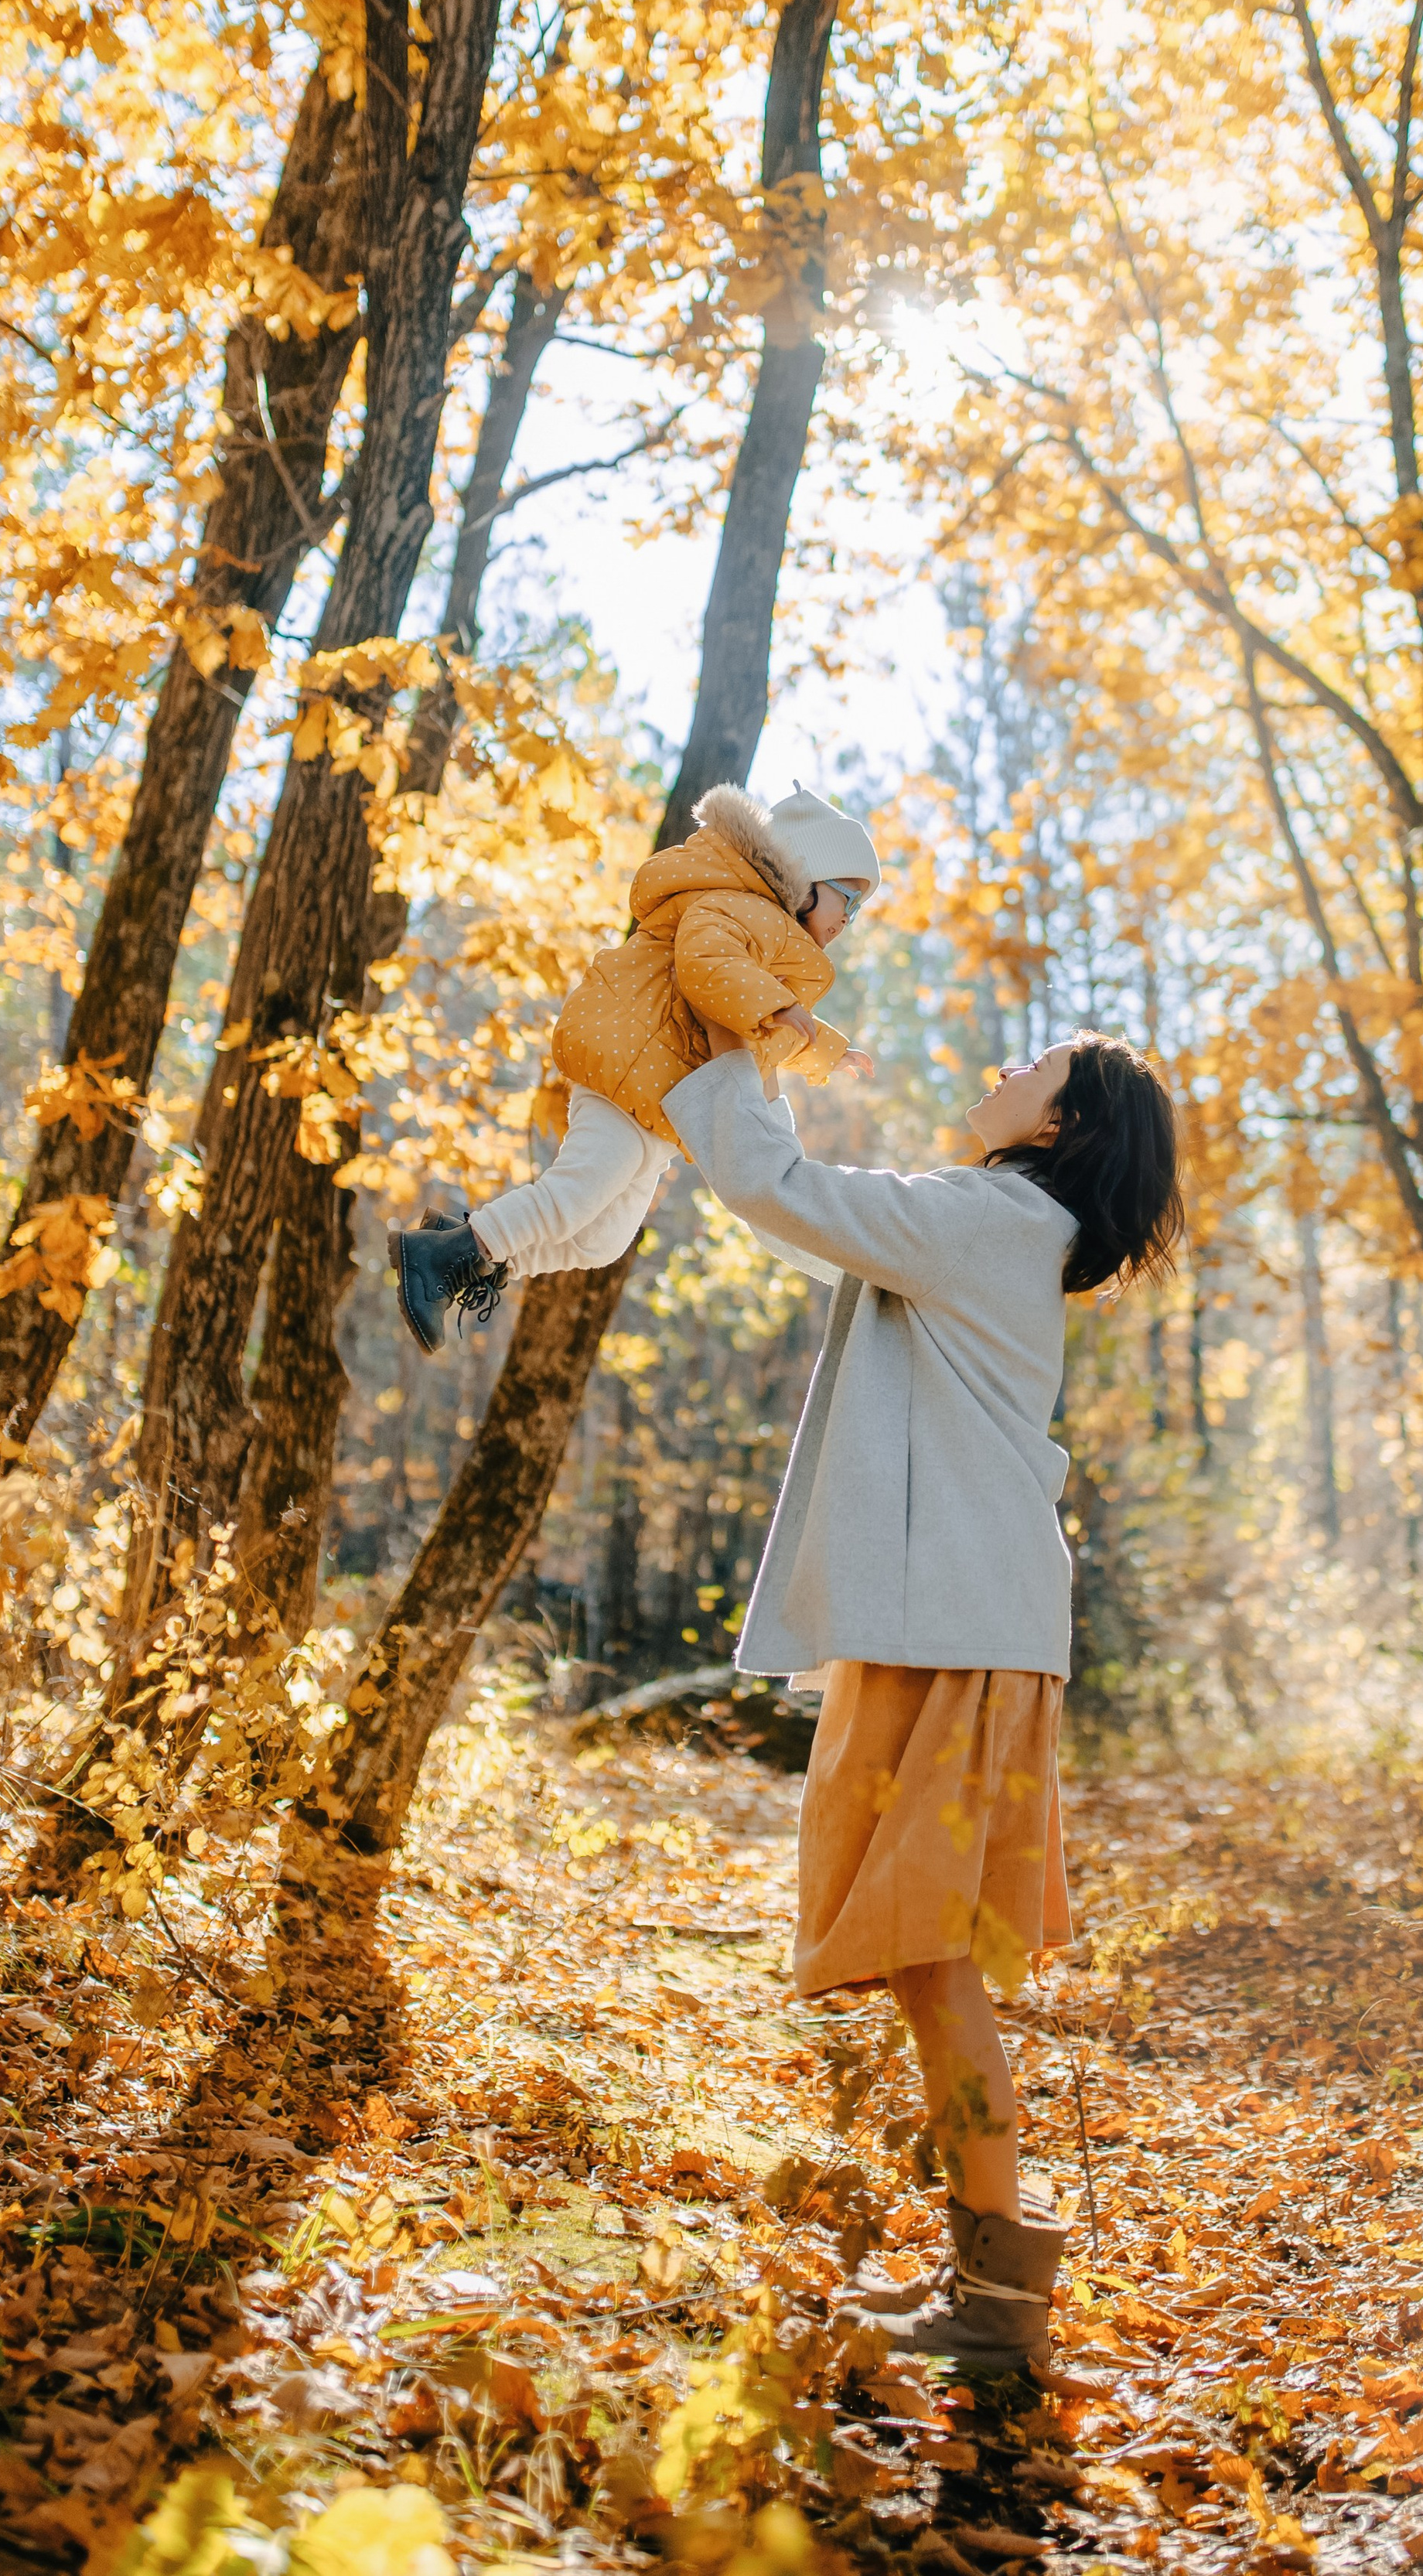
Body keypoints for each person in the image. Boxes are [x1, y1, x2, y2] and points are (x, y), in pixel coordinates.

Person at [662, 1025, 1184, 2376]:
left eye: (1033, 1069)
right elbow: (805, 1217)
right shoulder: (991, 1226)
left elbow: (783, 1190)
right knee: (920, 1956)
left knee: (933, 1956)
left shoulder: (992, 1221)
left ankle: (1001, 2302)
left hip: (961, 1628)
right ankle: (987, 2278)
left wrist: (724, 1050)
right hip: (952, 1621)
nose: (1003, 1071)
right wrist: (744, 1082)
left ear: (1061, 1126)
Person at [390, 783, 879, 1355]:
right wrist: (777, 1005)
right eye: (848, 899)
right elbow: (707, 964)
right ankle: (441, 1257)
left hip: (658, 1101)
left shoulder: (772, 944)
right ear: (807, 878)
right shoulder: (744, 906)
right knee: (576, 1194)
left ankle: (471, 1255)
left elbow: (760, 1034)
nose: (850, 919)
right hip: (629, 1072)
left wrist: (823, 1050)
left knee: (602, 1240)